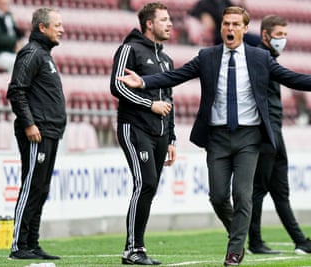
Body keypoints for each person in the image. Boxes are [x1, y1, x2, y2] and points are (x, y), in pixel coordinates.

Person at [116, 6, 311, 266]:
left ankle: (235, 249)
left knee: (242, 194)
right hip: (217, 137)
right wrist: (145, 83)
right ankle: (239, 233)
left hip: (248, 138)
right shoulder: (207, 56)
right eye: (226, 24)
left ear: (244, 28)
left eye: (235, 24)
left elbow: (291, 78)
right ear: (222, 28)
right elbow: (176, 76)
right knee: (218, 196)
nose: (229, 28)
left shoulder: (259, 57)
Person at [247, 15, 311, 256]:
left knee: (280, 191)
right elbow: (294, 79)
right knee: (259, 189)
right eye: (279, 34)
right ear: (265, 36)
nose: (283, 39)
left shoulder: (268, 58)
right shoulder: (261, 59)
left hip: (276, 133)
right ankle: (254, 242)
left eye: (285, 35)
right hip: (265, 133)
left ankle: (300, 241)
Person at [110, 2, 176, 265]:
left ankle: (137, 247)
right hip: (134, 126)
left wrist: (171, 138)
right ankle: (133, 249)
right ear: (149, 23)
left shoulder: (167, 59)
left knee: (149, 186)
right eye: (164, 19)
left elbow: (170, 99)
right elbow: (117, 86)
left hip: (160, 133)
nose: (170, 24)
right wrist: (149, 104)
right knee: (145, 183)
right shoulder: (129, 49)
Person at [6, 7, 65, 260]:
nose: (62, 29)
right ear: (42, 28)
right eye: (57, 25)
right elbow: (16, 90)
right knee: (31, 186)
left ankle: (32, 243)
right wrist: (29, 124)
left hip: (49, 131)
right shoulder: (31, 53)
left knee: (41, 188)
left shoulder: (44, 55)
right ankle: (19, 245)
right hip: (37, 132)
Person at [188, 0, 259, 46]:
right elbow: (195, 14)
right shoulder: (204, 3)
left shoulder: (224, 2)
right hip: (220, 34)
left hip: (233, 32)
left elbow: (240, 13)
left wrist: (242, 3)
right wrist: (203, 15)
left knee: (256, 40)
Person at [0, 0, 24, 74]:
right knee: (17, 61)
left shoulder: (8, 15)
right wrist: (15, 42)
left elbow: (16, 33)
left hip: (11, 51)